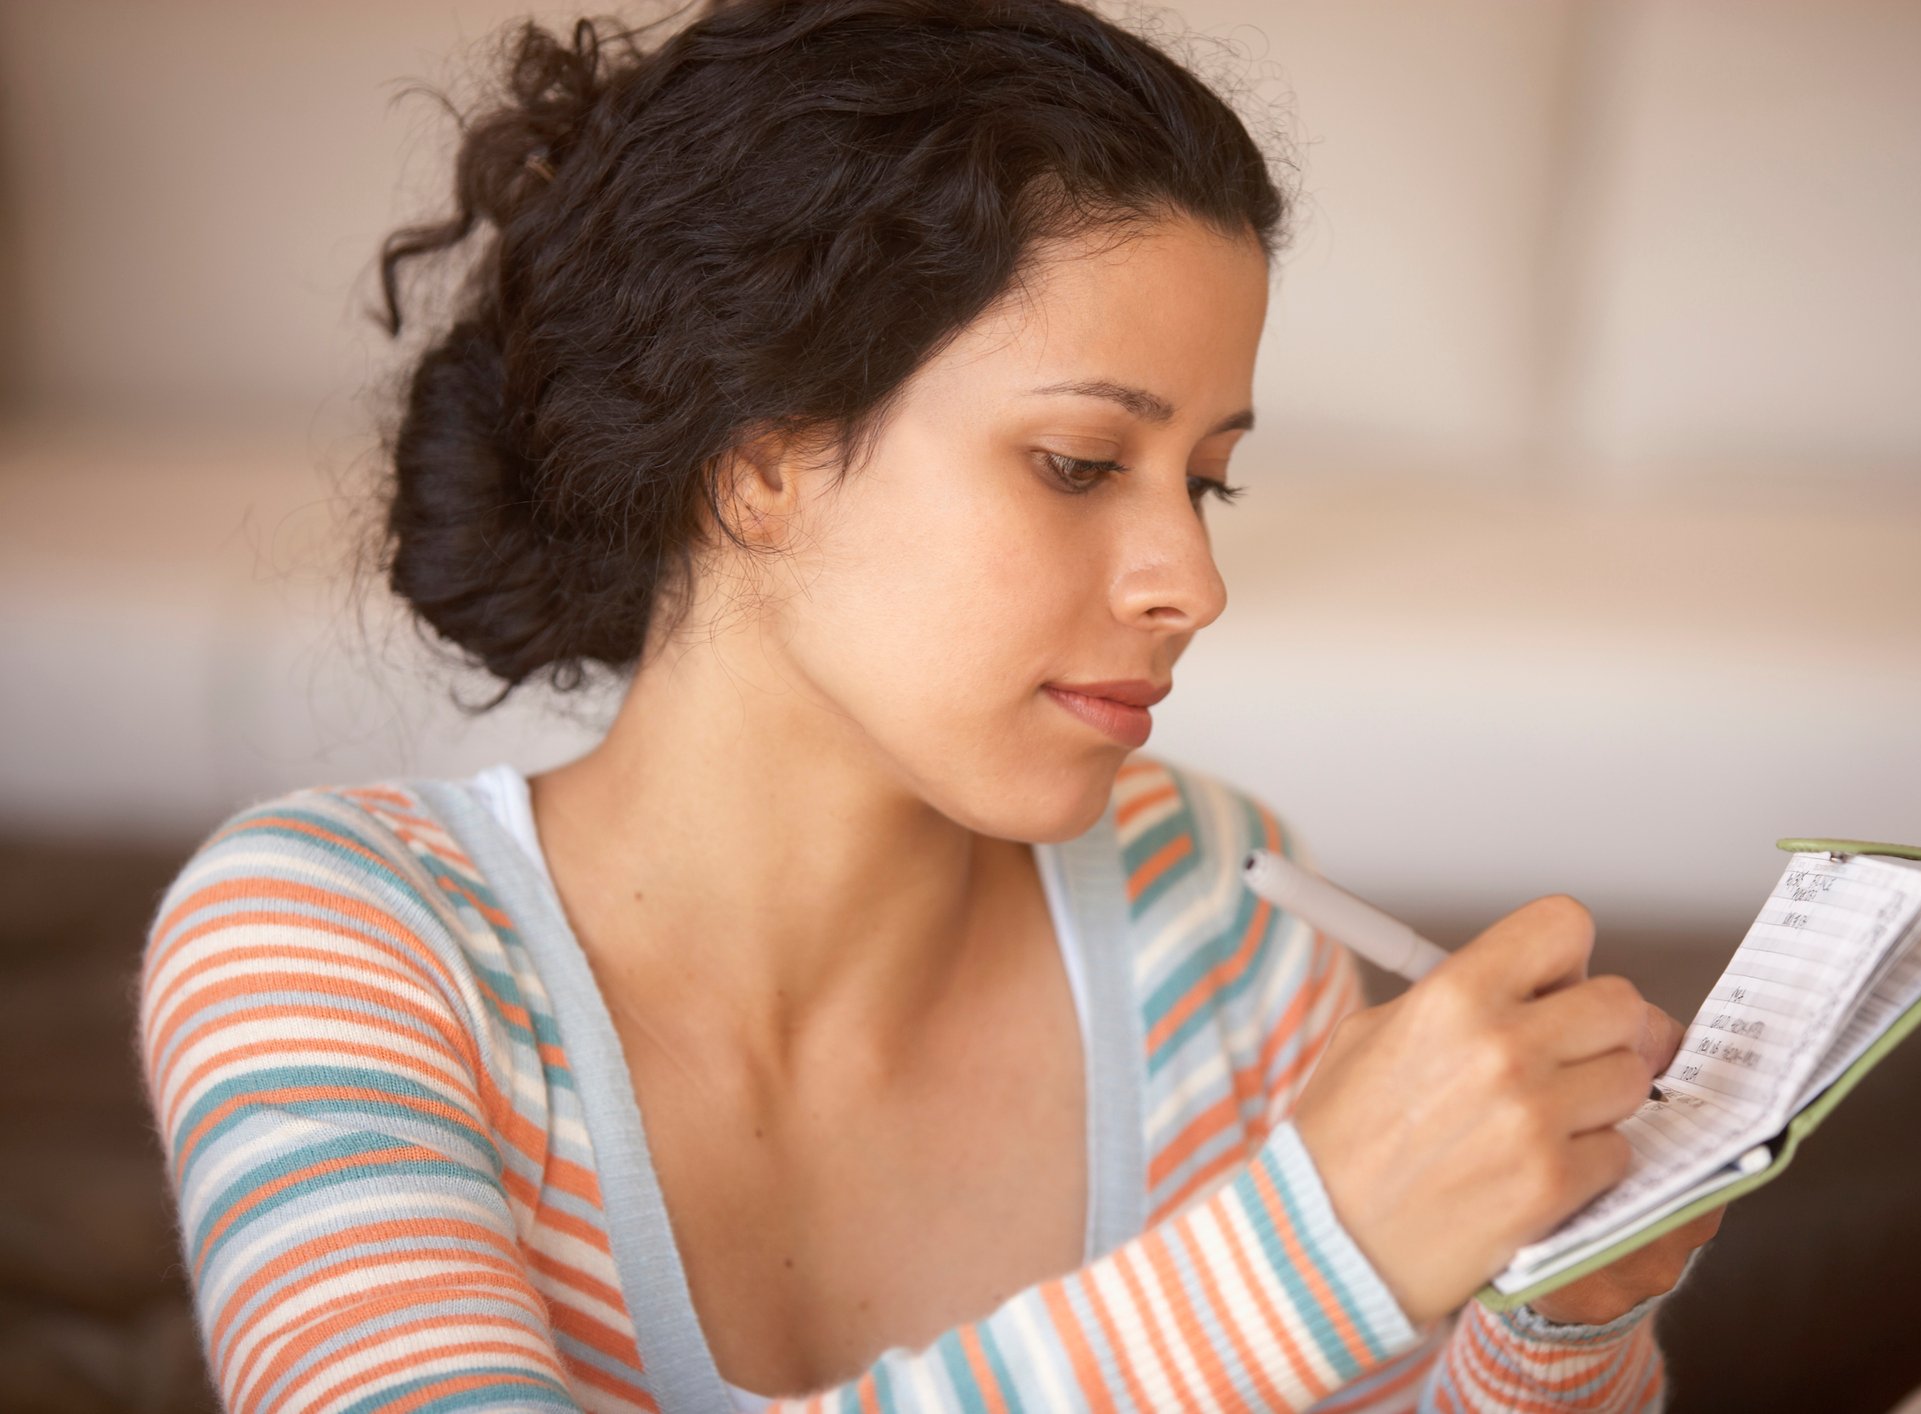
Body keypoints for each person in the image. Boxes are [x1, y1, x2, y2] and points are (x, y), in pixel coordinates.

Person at [136, 2, 1721, 1409]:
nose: (1190, 583)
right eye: (1080, 463)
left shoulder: (1209, 918)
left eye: (1208, 484)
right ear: (756, 461)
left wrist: (1557, 1314)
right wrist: (1314, 1251)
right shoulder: (328, 940)